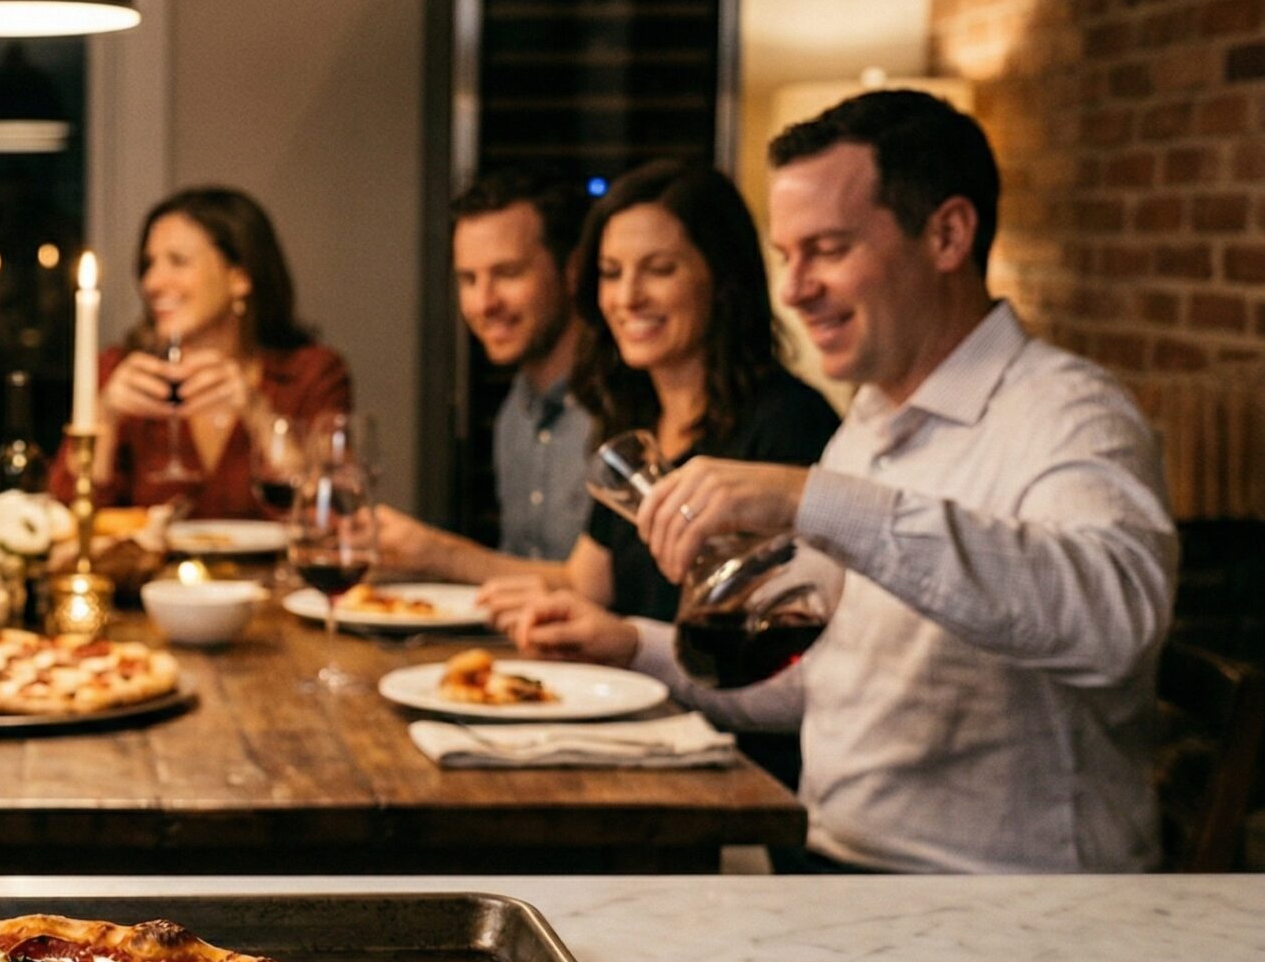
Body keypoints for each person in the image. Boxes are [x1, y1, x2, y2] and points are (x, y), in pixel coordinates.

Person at [500, 91, 1176, 873]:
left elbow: (1115, 619)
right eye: (788, 256)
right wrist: (632, 644)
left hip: (994, 899)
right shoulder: (870, 425)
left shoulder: (1068, 411)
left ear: (948, 234)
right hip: (828, 863)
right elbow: (823, 680)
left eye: (827, 248)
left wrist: (807, 496)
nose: (793, 289)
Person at [383, 160, 838, 628]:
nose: (627, 298)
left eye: (659, 270)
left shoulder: (789, 422)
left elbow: (791, 643)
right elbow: (585, 584)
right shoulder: (633, 417)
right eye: (611, 273)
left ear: (723, 279)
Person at [58, 186, 350, 517]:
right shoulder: (118, 372)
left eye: (178, 262)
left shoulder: (310, 374)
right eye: (149, 264)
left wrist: (259, 416)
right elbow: (68, 520)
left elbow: (334, 513)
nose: (152, 282)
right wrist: (105, 419)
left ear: (239, 278)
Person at [380, 168, 592, 562]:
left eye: (507, 273)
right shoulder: (517, 410)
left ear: (573, 271)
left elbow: (602, 591)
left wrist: (437, 553)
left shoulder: (623, 410)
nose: (483, 303)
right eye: (468, 279)